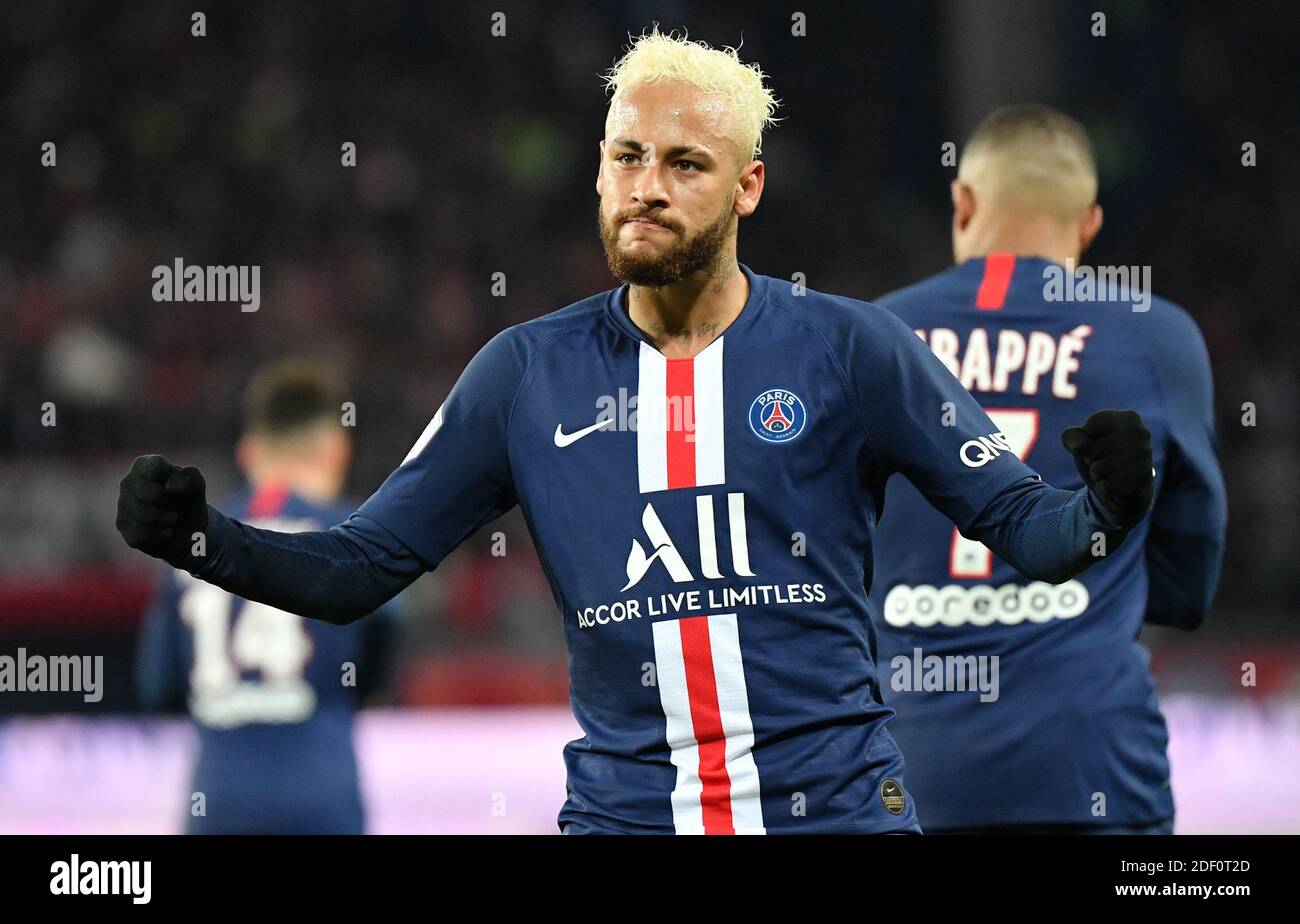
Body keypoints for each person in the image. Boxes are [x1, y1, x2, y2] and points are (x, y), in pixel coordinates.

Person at [118, 31, 1155, 834]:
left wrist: (1107, 506)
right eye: (626, 157)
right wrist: (200, 539)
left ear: (748, 184)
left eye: (683, 163)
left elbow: (1028, 527)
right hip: (627, 818)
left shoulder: (852, 351)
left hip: (836, 814)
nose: (645, 186)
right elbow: (353, 571)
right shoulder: (524, 375)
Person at [869, 104, 1227, 833]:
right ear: (1090, 223)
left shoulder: (871, 336)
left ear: (963, 203)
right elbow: (1190, 585)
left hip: (902, 771)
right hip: (1088, 767)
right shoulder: (1158, 338)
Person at [135, 361, 398, 834]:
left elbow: (158, 688)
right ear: (337, 450)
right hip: (322, 800)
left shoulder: (190, 544)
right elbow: (381, 662)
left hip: (220, 804)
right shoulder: (358, 539)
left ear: (248, 451)